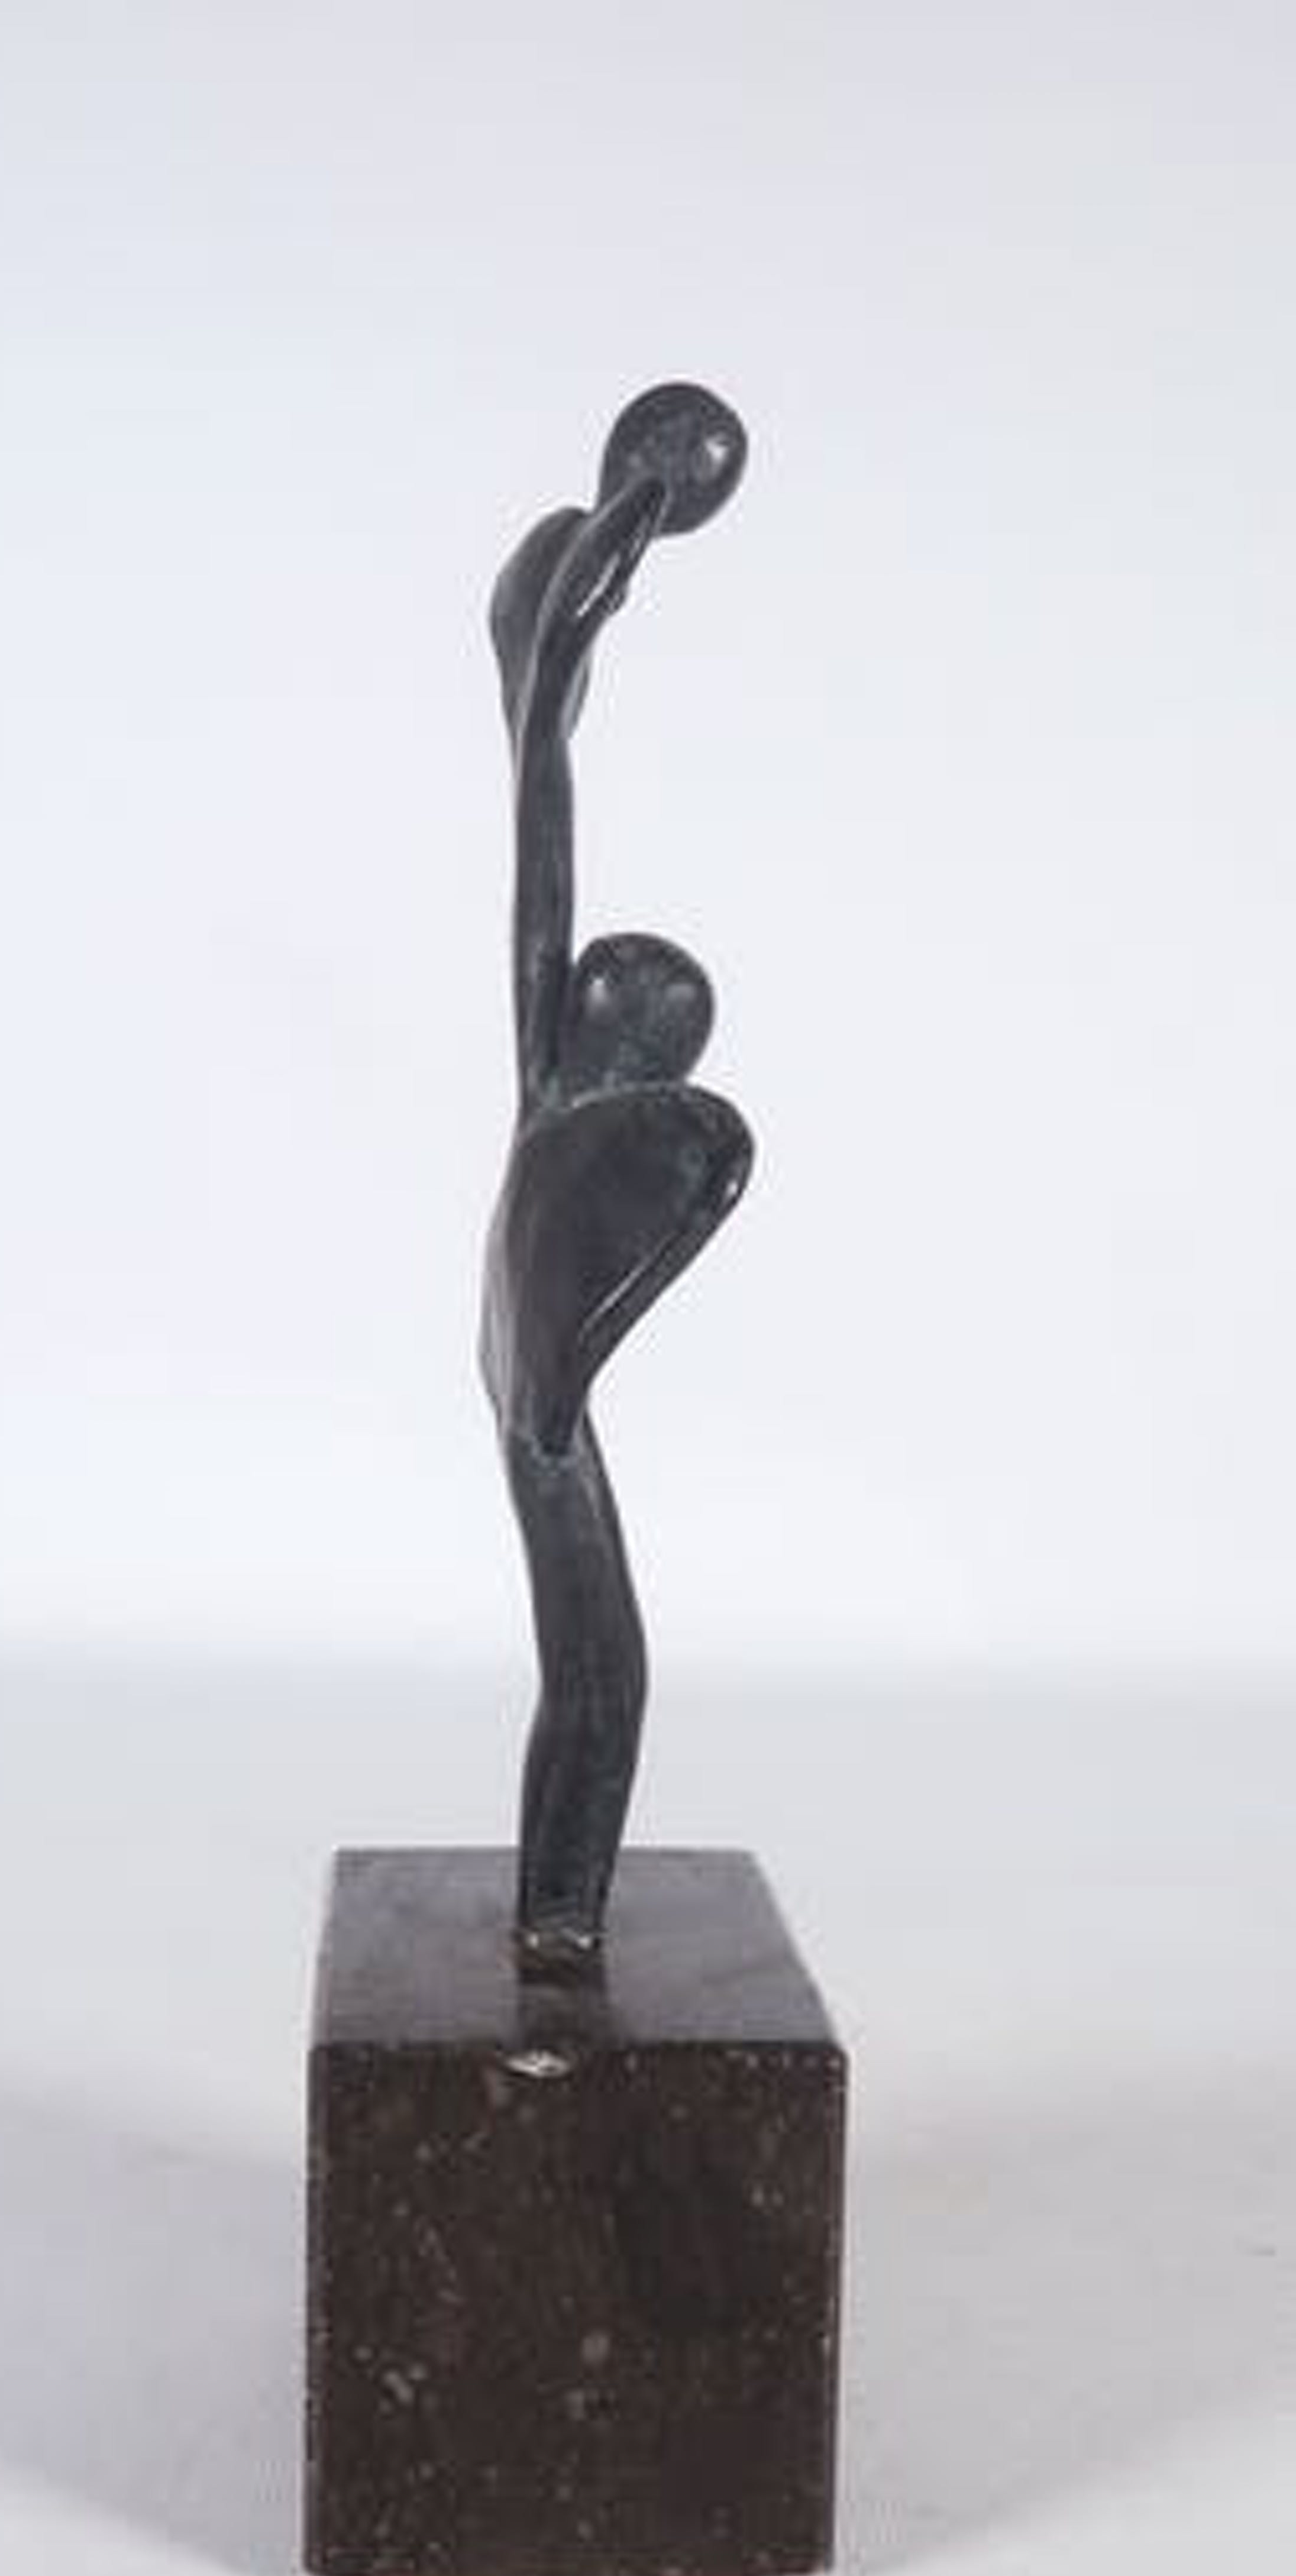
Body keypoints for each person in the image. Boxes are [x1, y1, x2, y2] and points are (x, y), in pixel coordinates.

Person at [480, 385, 754, 1973]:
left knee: (598, 1672)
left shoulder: (559, 1090)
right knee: (602, 1673)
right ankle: (559, 1918)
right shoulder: (562, 1090)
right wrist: (630, 515)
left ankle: (559, 1915)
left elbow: (542, 787)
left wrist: (623, 531)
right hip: (541, 1416)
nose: (598, 966)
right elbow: (543, 789)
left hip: (539, 1409)